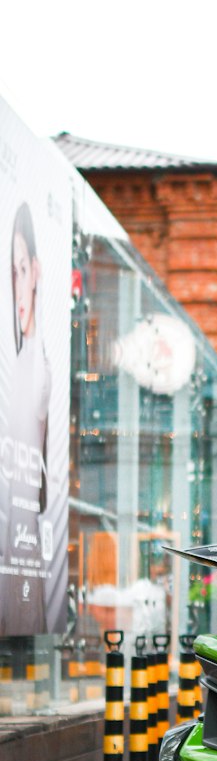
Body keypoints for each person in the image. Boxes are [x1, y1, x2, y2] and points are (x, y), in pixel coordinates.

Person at [0, 203, 51, 635]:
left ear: (36, 270)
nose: (18, 284)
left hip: (22, 542)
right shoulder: (18, 363)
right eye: (10, 272)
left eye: (22, 268)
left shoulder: (38, 368)